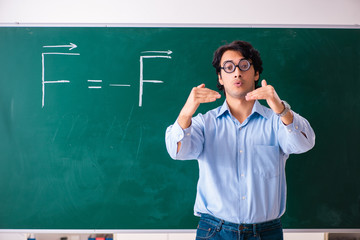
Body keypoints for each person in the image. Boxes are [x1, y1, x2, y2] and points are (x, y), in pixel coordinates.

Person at [165, 40, 315, 240]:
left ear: (255, 73)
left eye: (244, 65)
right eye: (228, 67)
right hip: (214, 231)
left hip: (266, 232)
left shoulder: (276, 121)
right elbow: (177, 152)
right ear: (220, 77)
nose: (237, 73)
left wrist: (281, 108)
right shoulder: (205, 123)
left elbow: (305, 143)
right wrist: (186, 112)